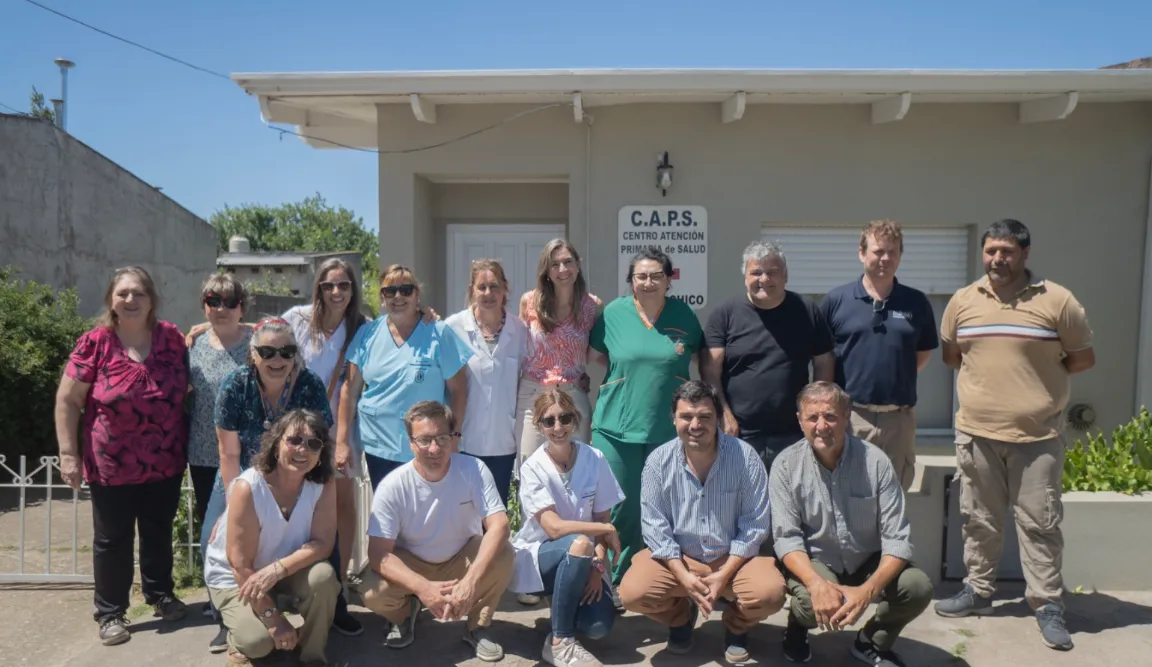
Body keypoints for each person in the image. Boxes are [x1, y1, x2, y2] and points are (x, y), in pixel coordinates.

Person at [934, 219, 1095, 652]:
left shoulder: (1057, 301)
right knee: (978, 520)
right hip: (977, 435)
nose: (997, 259)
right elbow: (955, 357)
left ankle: (1047, 606)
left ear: (1024, 253)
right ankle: (979, 592)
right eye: (990, 251)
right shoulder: (963, 301)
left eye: (1006, 251)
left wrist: (1035, 389)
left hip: (1037, 438)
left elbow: (1081, 359)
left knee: (1040, 524)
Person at [54, 266, 189, 646]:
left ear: (151, 300)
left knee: (158, 531)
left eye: (138, 293)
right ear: (111, 300)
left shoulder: (172, 339)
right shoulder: (95, 343)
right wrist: (68, 454)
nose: (130, 300)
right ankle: (111, 612)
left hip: (165, 460)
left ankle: (160, 594)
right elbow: (67, 400)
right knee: (112, 540)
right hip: (111, 465)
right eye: (123, 293)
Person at [618, 381, 784, 664]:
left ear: (718, 418)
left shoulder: (745, 457)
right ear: (673, 420)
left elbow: (755, 525)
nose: (695, 424)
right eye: (686, 417)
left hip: (733, 559)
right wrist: (682, 574)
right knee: (633, 594)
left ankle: (736, 626)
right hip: (679, 558)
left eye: (705, 417)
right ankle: (681, 618)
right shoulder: (658, 462)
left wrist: (724, 573)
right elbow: (654, 527)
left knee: (770, 594)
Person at [770, 381, 933, 666]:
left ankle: (871, 640)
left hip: (866, 557)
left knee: (917, 587)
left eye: (831, 416)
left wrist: (866, 591)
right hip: (819, 560)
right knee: (810, 604)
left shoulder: (876, 462)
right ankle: (797, 628)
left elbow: (897, 538)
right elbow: (787, 538)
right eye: (812, 417)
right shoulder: (786, 465)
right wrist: (817, 584)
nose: (822, 425)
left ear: (846, 417)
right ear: (800, 421)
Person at [198, 317, 335, 644]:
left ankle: (331, 608)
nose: (277, 359)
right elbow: (228, 453)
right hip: (243, 477)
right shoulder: (235, 385)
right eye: (268, 352)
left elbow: (320, 439)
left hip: (296, 474)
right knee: (215, 543)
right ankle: (231, 619)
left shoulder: (309, 384)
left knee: (320, 548)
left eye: (286, 351)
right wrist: (236, 504)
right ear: (253, 354)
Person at [359, 401, 514, 663]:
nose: (434, 449)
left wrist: (470, 582)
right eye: (424, 440)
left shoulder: (473, 469)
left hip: (461, 557)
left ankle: (478, 626)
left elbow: (500, 525)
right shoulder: (393, 485)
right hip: (413, 560)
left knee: (504, 553)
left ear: (453, 439)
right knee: (371, 591)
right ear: (410, 443)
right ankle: (406, 614)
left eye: (442, 438)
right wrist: (423, 588)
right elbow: (378, 554)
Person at [588, 247, 705, 586]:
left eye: (656, 275)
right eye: (641, 276)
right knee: (619, 509)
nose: (649, 282)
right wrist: (625, 377)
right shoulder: (614, 314)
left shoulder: (684, 316)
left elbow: (700, 361)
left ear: (668, 280)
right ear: (631, 281)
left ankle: (658, 580)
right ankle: (613, 580)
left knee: (665, 508)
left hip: (667, 430)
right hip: (616, 428)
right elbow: (597, 357)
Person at [203, 409, 340, 667]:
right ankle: (239, 641)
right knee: (258, 643)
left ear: (321, 453)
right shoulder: (249, 487)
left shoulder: (323, 484)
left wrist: (278, 570)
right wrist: (274, 619)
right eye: (294, 440)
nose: (302, 450)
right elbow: (240, 566)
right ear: (276, 444)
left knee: (323, 577)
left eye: (313, 444)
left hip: (282, 569)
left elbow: (323, 544)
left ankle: (312, 658)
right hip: (236, 578)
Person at [282, 258, 369, 636]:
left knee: (343, 505)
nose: (337, 292)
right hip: (299, 431)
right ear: (318, 288)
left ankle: (339, 588)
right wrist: (206, 326)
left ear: (353, 290)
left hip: (342, 431)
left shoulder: (362, 327)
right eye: (329, 285)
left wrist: (343, 440)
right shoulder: (298, 320)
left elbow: (350, 384)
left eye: (344, 286)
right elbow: (260, 338)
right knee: (298, 505)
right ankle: (298, 587)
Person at [821, 221, 939, 490]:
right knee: (846, 495)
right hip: (852, 417)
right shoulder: (837, 301)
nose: (885, 258)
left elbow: (921, 354)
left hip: (898, 421)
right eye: (878, 251)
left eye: (892, 252)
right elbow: (823, 358)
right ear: (862, 253)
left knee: (893, 500)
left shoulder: (916, 302)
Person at [510, 389, 624, 667]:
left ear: (576, 419)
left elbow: (600, 521)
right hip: (541, 557)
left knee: (598, 628)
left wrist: (597, 568)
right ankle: (560, 642)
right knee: (579, 543)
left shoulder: (595, 458)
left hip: (585, 556)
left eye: (565, 418)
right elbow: (555, 529)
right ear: (538, 425)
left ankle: (565, 600)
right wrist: (603, 530)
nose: (557, 427)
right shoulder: (532, 468)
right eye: (548, 421)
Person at [701, 240, 834, 470]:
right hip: (739, 434)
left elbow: (823, 361)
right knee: (738, 501)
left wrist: (815, 411)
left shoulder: (807, 310)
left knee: (790, 502)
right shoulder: (725, 314)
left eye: (772, 272)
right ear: (745, 277)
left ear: (785, 275)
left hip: (793, 434)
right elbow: (710, 371)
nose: (764, 279)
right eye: (756, 272)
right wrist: (723, 415)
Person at [338, 265, 471, 492]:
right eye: (390, 291)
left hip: (428, 445)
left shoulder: (438, 332)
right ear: (382, 297)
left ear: (417, 294)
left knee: (427, 517)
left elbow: (459, 389)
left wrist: (454, 436)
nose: (398, 297)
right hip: (378, 446)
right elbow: (349, 391)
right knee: (389, 518)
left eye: (406, 290)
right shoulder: (367, 334)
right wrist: (341, 441)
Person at [185, 273, 255, 651]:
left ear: (242, 306)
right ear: (204, 304)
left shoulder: (257, 343)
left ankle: (251, 606)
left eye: (231, 301)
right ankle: (221, 613)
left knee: (247, 533)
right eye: (214, 300)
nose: (222, 308)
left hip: (247, 455)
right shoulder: (192, 344)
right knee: (213, 535)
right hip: (204, 454)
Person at [446, 259, 528, 504]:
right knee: (464, 515)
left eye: (494, 287)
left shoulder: (520, 331)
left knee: (497, 513)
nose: (488, 293)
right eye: (482, 287)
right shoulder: (453, 328)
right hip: (464, 442)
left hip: (503, 443)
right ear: (472, 290)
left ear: (505, 290)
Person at [517, 239, 600, 459]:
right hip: (534, 394)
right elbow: (515, 346)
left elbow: (599, 350)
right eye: (555, 264)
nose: (562, 269)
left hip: (573, 393)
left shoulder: (592, 306)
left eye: (567, 262)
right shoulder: (529, 302)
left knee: (577, 466)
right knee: (529, 464)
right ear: (546, 270)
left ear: (577, 264)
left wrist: (582, 371)